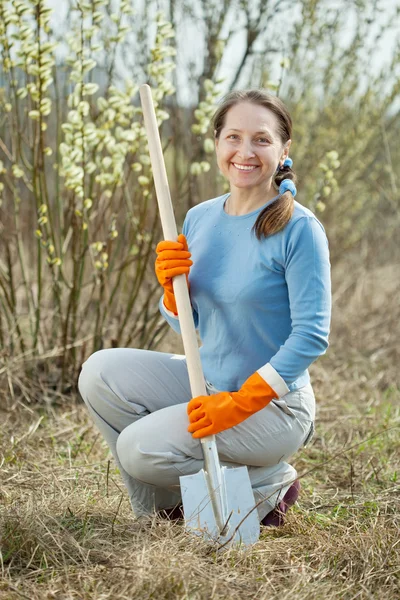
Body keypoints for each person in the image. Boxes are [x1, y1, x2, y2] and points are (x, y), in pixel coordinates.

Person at [78, 89, 331, 526]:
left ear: (284, 149)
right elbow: (190, 326)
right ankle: (166, 511)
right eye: (233, 137)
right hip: (207, 382)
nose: (245, 152)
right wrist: (173, 292)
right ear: (217, 144)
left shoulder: (299, 228)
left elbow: (311, 336)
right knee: (99, 373)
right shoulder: (199, 218)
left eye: (261, 139)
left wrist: (241, 402)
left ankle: (269, 479)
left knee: (138, 448)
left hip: (274, 408)